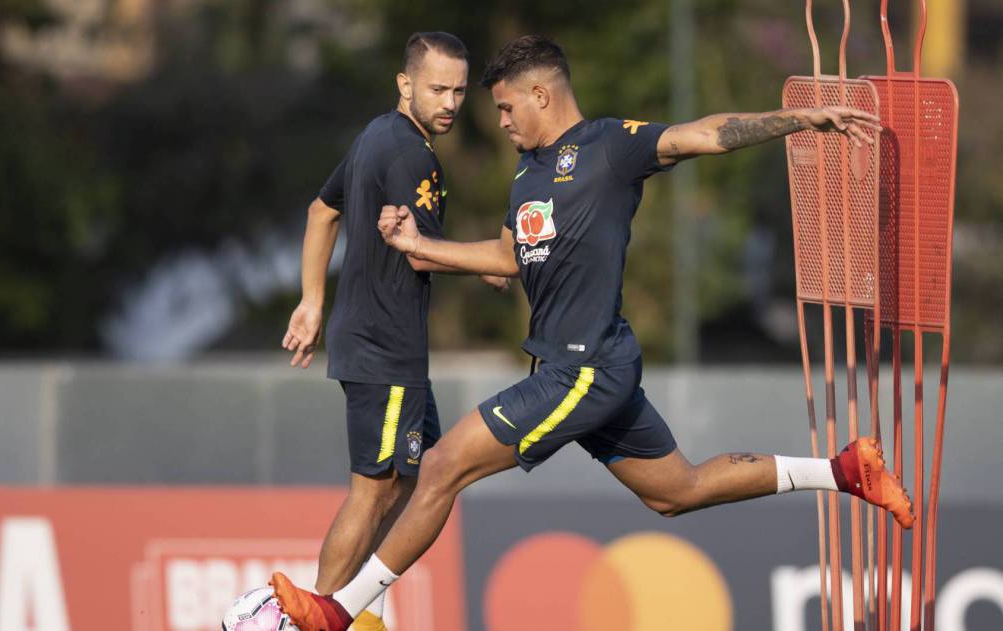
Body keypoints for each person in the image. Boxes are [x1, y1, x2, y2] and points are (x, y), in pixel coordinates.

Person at [273, 35, 913, 631]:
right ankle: (843, 470)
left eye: (503, 106)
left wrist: (799, 119)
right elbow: (504, 258)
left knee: (441, 467)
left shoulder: (611, 147)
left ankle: (339, 612)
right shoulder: (526, 172)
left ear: (540, 96)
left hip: (579, 370)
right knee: (676, 492)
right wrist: (421, 246)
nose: (498, 121)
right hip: (587, 365)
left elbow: (706, 135)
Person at [278, 31, 499, 631]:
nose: (450, 102)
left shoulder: (376, 134)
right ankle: (313, 616)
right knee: (374, 490)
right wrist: (492, 264)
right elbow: (421, 255)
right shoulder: (409, 155)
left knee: (419, 477)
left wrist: (312, 302)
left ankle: (358, 610)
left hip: (371, 339)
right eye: (437, 88)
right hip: (385, 347)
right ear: (405, 85)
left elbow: (321, 211)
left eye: (458, 89)